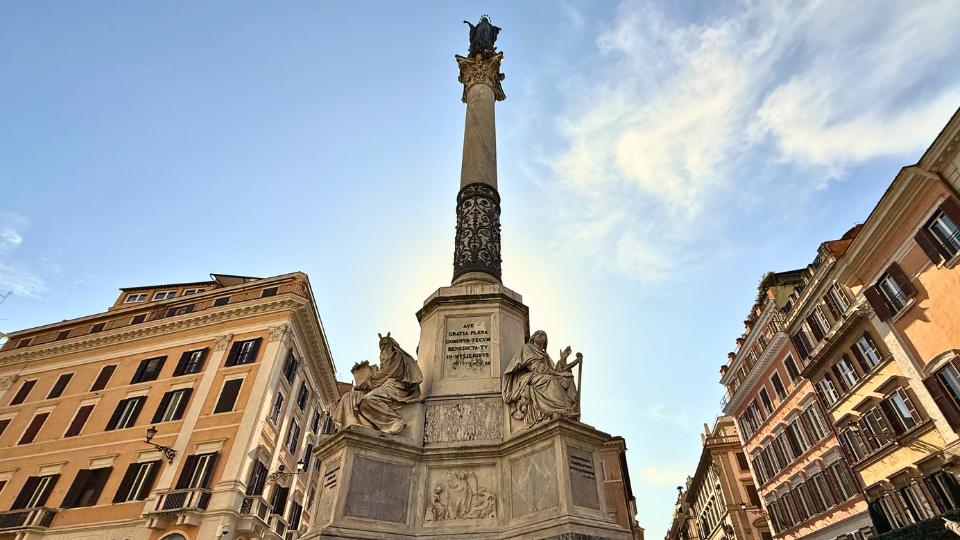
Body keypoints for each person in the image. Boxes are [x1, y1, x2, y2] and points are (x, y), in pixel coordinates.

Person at [502, 330, 580, 427]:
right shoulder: (527, 348)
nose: (541, 335)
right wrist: (559, 375)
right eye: (538, 333)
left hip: (543, 375)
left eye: (543, 335)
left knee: (568, 380)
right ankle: (562, 409)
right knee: (550, 380)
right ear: (533, 338)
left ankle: (570, 408)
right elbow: (536, 367)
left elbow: (554, 370)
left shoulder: (545, 355)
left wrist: (563, 359)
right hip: (528, 376)